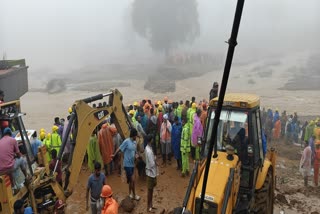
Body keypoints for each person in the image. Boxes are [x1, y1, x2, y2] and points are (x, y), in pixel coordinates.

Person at [112, 128, 140, 201]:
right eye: (135, 136)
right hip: (127, 165)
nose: (136, 137)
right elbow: (120, 148)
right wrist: (114, 155)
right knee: (132, 180)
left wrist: (136, 155)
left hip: (133, 164)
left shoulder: (134, 142)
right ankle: (134, 195)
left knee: (131, 181)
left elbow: (135, 151)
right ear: (133, 135)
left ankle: (130, 193)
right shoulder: (126, 141)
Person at [145, 135, 158, 213]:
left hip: (150, 172)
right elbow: (152, 163)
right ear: (151, 140)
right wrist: (155, 158)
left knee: (151, 190)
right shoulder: (149, 151)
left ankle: (150, 205)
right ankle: (149, 206)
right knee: (150, 191)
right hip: (150, 172)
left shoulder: (148, 148)